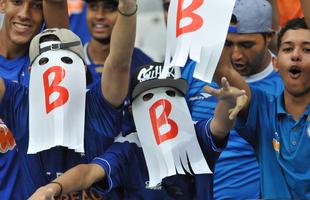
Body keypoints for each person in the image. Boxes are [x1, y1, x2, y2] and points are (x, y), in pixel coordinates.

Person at [28, 61, 248, 200]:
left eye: (170, 94)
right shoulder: (129, 147)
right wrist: (53, 188)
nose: (161, 105)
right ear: (132, 110)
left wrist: (227, 102)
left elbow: (219, 126)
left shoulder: (195, 135)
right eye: (149, 97)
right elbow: (88, 172)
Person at [0, 0, 136, 198]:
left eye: (66, 60)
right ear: (31, 72)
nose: (56, 72)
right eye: (45, 62)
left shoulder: (98, 107)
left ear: (83, 68)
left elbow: (119, 64)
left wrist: (127, 7)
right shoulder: (21, 105)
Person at [162, 0, 282, 199]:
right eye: (227, 44)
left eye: (246, 45)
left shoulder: (285, 84)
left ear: (269, 36)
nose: (236, 55)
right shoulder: (194, 69)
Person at [217, 17, 310, 199]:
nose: (296, 55)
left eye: (307, 49)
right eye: (288, 48)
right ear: (276, 63)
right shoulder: (263, 109)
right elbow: (223, 70)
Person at [0, 0, 68, 198]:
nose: (25, 13)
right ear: (2, 3)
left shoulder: (47, 63)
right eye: (17, 2)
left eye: (37, 5)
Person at [83, 0, 153, 135]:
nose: (99, 15)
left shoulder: (145, 67)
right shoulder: (72, 62)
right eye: (93, 7)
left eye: (109, 8)